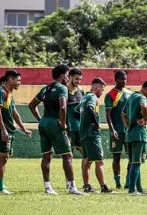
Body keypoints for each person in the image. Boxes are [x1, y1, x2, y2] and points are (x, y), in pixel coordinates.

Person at [29, 64, 82, 195]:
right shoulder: (62, 88)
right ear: (62, 75)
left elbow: (31, 105)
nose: (68, 77)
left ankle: (48, 187)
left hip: (44, 123)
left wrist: (40, 119)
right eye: (67, 75)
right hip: (55, 124)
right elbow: (63, 107)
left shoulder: (45, 88)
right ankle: (72, 188)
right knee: (67, 155)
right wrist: (63, 124)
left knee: (46, 155)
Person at [0, 69, 31, 195]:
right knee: (2, 158)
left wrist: (23, 129)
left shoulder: (9, 93)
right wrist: (3, 130)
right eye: (18, 80)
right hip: (3, 131)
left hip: (9, 130)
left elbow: (15, 113)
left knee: (3, 158)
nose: (20, 83)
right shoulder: (1, 92)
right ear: (10, 79)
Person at [80, 77, 114, 194]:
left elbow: (76, 112)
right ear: (97, 88)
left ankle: (86, 186)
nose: (102, 92)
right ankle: (103, 187)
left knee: (87, 160)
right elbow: (90, 108)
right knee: (99, 161)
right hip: (92, 134)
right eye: (102, 90)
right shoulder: (92, 97)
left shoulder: (84, 97)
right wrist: (96, 123)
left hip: (84, 133)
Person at [122, 80, 147, 195]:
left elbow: (123, 113)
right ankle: (132, 190)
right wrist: (145, 120)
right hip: (139, 134)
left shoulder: (131, 96)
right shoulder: (141, 97)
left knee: (135, 161)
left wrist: (128, 125)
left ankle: (139, 188)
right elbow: (144, 106)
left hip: (130, 134)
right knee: (136, 163)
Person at [104, 70, 131, 189]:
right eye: (121, 79)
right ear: (116, 80)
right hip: (117, 131)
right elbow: (108, 114)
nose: (124, 81)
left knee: (132, 157)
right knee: (116, 157)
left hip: (129, 131)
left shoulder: (129, 93)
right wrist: (112, 130)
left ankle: (128, 181)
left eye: (125, 79)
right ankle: (118, 182)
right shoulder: (110, 95)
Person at [67, 68, 85, 184]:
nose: (78, 81)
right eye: (76, 79)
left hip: (79, 128)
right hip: (68, 128)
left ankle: (85, 182)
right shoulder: (64, 90)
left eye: (80, 79)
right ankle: (69, 182)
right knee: (69, 156)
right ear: (70, 77)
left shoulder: (81, 91)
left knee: (86, 155)